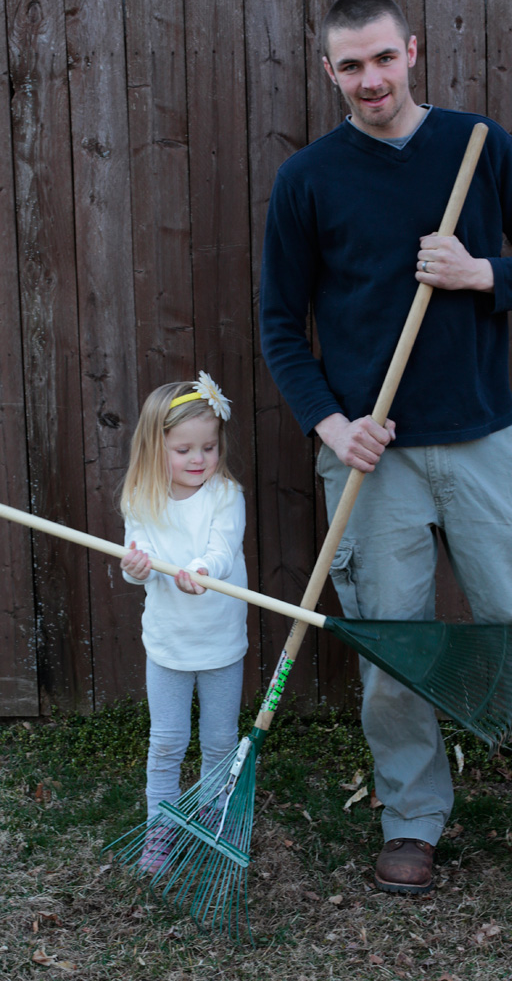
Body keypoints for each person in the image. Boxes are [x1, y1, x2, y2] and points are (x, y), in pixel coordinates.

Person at [259, 0, 512, 893]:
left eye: (382, 58)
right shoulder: (307, 178)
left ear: (412, 50)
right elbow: (280, 324)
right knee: (394, 650)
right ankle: (411, 823)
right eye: (350, 66)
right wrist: (332, 426)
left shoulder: (478, 146)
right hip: (370, 454)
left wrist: (480, 272)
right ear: (328, 71)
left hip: (483, 440)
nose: (370, 80)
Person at [120, 371, 248, 871]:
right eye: (184, 449)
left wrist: (201, 571)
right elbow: (139, 558)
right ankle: (161, 825)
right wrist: (135, 568)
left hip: (220, 644)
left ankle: (214, 815)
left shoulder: (225, 494)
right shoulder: (141, 499)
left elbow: (222, 550)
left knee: (219, 740)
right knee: (167, 741)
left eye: (209, 447)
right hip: (168, 646)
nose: (199, 459)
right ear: (156, 448)